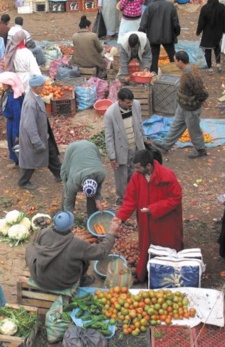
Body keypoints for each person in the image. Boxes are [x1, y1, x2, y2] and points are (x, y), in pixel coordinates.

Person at [112, 150, 183, 282]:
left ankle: (168, 276)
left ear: (148, 166)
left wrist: (153, 209)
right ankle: (145, 273)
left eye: (138, 167)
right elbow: (130, 200)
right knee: (146, 246)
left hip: (165, 222)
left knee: (166, 246)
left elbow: (176, 197)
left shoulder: (167, 176)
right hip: (146, 221)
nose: (136, 170)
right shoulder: (137, 178)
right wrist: (120, 217)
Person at [26, 211, 119, 290]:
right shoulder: (78, 245)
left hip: (40, 279)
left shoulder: (43, 232)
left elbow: (38, 245)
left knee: (33, 248)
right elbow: (102, 252)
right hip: (62, 284)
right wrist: (111, 233)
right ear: (71, 228)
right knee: (84, 258)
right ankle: (83, 280)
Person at [153, 51, 209, 158]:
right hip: (183, 105)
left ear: (180, 61)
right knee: (175, 125)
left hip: (191, 108)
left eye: (175, 61)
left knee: (194, 130)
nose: (175, 64)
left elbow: (200, 90)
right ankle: (166, 145)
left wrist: (203, 99)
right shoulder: (186, 71)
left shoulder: (190, 75)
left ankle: (200, 149)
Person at [18, 74, 62, 190]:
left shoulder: (35, 96)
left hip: (43, 134)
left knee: (51, 154)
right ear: (35, 87)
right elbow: (29, 125)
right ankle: (23, 181)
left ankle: (59, 174)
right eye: (42, 85)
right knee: (31, 161)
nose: (44, 87)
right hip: (34, 137)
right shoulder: (31, 103)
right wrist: (36, 141)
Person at [104, 88, 146, 205]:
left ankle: (133, 195)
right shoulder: (110, 114)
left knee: (134, 173)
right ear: (120, 101)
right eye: (128, 102)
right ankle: (122, 199)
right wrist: (112, 157)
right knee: (121, 177)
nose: (131, 104)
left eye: (131, 101)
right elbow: (109, 137)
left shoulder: (136, 105)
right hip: (121, 151)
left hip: (136, 147)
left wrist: (144, 141)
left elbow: (139, 124)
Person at [139, 0, 180, 74]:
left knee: (154, 57)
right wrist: (176, 32)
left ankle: (154, 74)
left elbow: (144, 23)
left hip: (153, 37)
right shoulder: (170, 6)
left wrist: (140, 34)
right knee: (172, 56)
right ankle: (175, 72)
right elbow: (175, 22)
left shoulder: (150, 7)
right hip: (168, 36)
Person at [60, 140, 106, 216]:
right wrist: (69, 219)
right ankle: (64, 215)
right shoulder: (74, 180)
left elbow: (98, 188)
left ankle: (92, 214)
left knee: (92, 197)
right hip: (72, 149)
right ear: (81, 184)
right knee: (67, 188)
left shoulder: (101, 174)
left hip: (91, 146)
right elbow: (69, 201)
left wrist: (98, 202)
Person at [0, 72, 24, 166]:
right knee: (10, 140)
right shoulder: (7, 93)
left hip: (14, 123)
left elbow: (17, 116)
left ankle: (18, 161)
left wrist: (17, 133)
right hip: (10, 121)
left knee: (14, 140)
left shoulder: (14, 98)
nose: (2, 85)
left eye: (4, 84)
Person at [196, 0, 225, 72]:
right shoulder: (222, 7)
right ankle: (218, 64)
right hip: (218, 32)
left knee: (208, 50)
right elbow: (224, 20)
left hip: (208, 33)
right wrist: (224, 30)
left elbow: (201, 22)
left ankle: (209, 68)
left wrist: (198, 31)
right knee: (217, 47)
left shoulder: (205, 8)